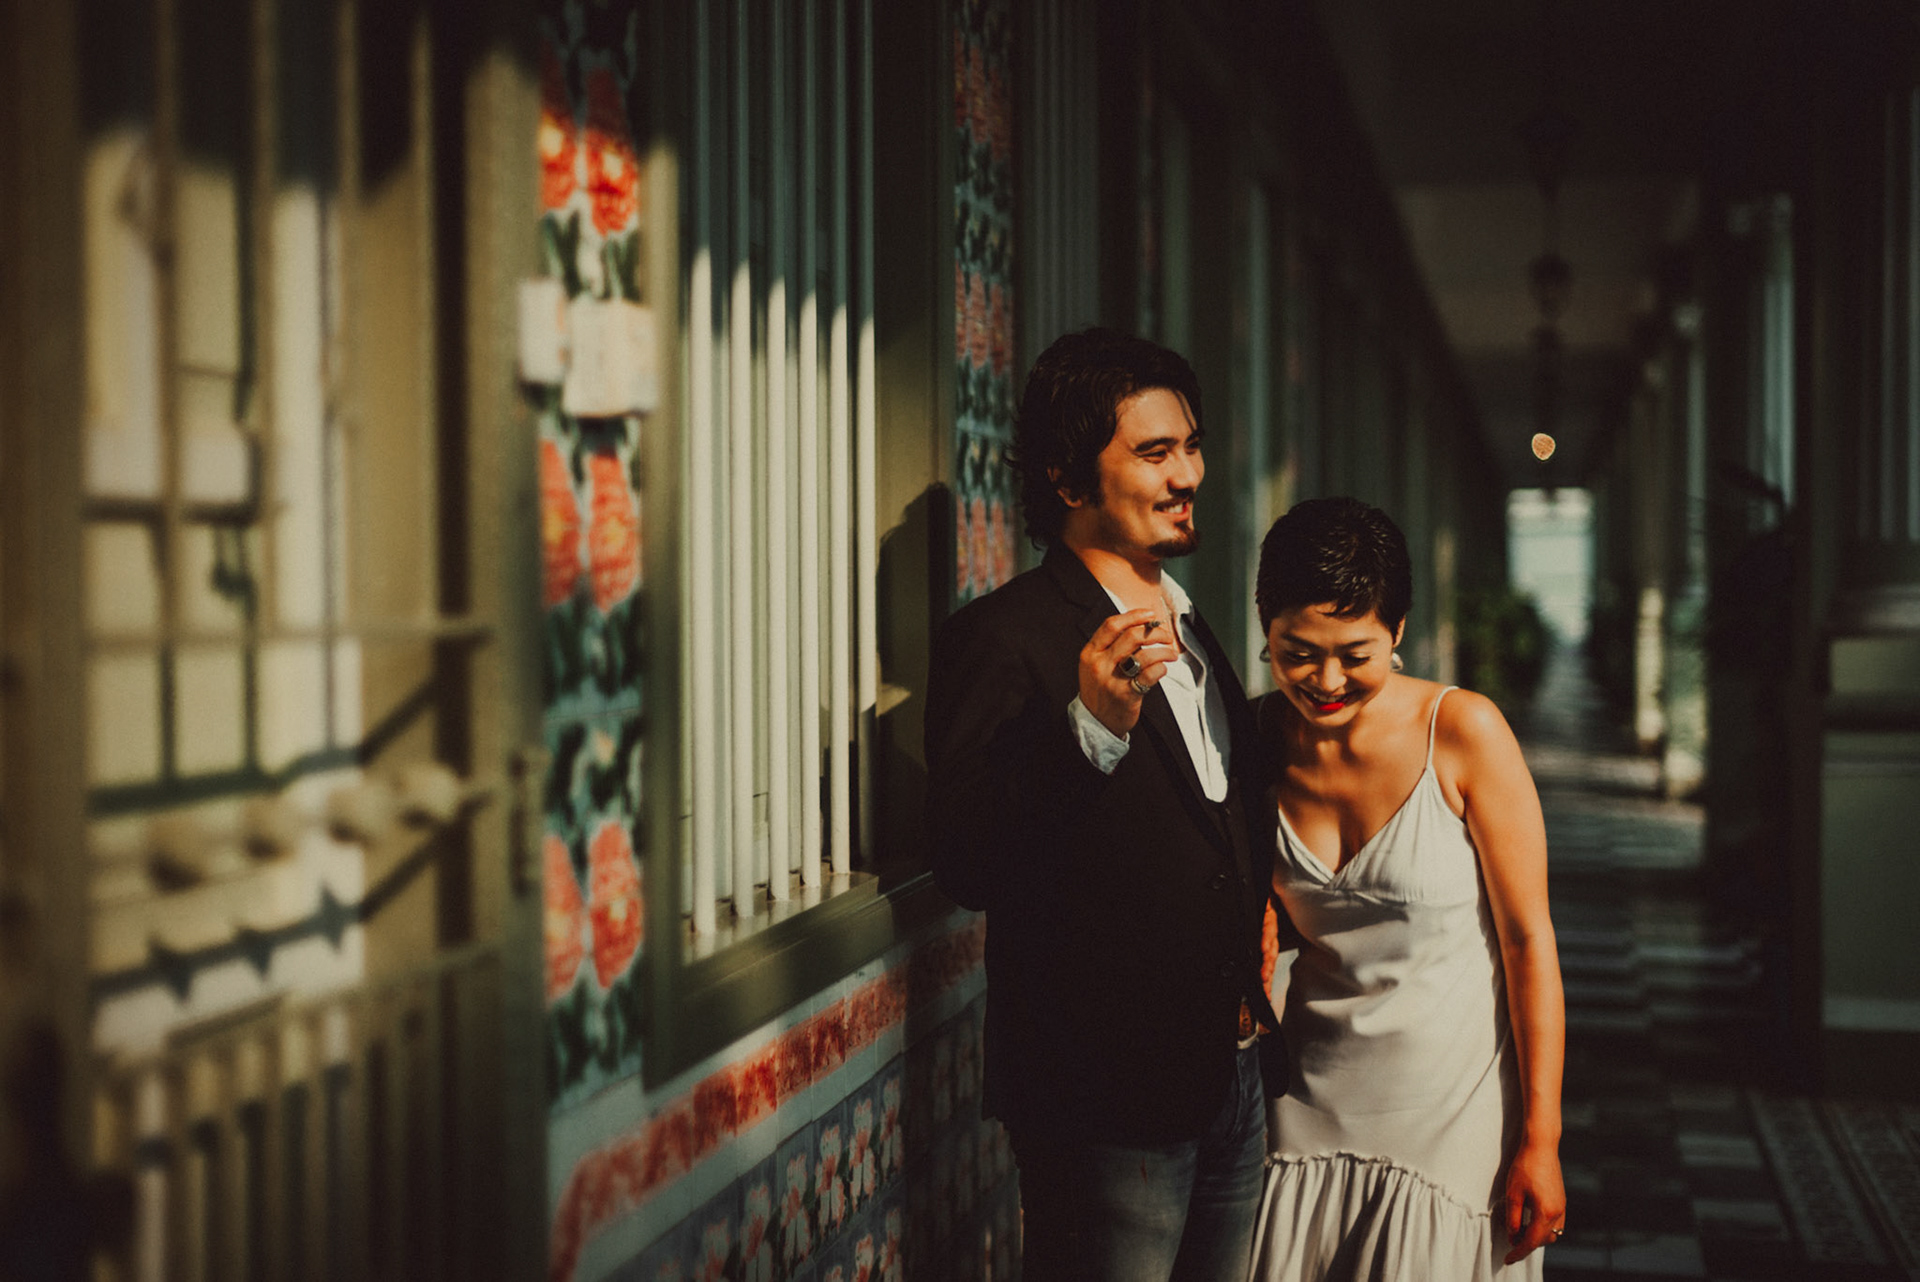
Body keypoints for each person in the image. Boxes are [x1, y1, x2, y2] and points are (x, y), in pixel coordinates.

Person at [925, 327, 1292, 1281]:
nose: (1188, 475)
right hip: (1102, 1095)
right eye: (1153, 451)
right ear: (1068, 479)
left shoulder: (1196, 624)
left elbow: (1211, 823)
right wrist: (1089, 725)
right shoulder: (1001, 638)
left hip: (1232, 1069)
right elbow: (967, 860)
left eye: (1192, 445)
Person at [1248, 497, 1567, 1281]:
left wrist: (1543, 1140)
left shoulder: (1463, 732)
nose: (1325, 680)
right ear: (1265, 630)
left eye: (1354, 654)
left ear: (1397, 632)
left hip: (1449, 1115)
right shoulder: (1253, 737)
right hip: (1301, 1105)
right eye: (1297, 652)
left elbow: (1529, 941)